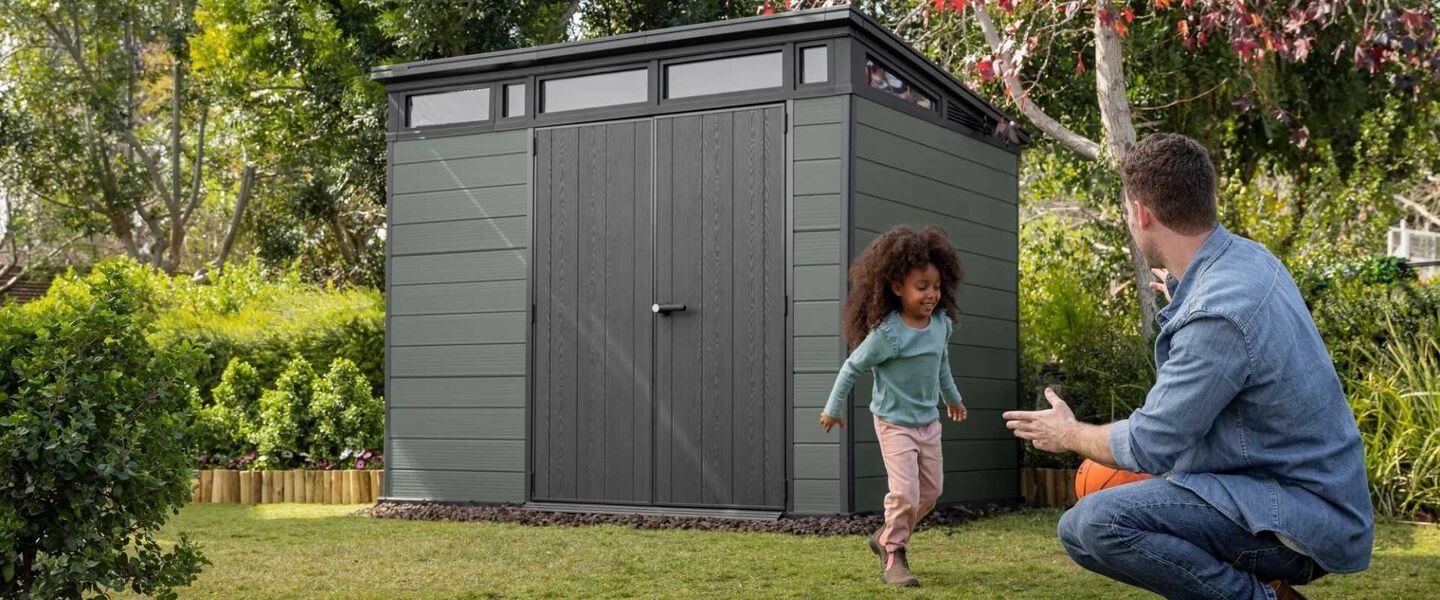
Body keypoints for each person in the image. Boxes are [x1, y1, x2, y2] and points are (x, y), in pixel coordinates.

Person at [1003, 134, 1374, 600]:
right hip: (1309, 501)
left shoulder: (1216, 313)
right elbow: (1233, 333)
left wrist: (1067, 434)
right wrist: (1182, 293)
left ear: (1141, 213)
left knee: (1093, 524)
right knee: (1100, 521)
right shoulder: (1247, 261)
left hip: (1296, 518)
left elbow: (1151, 444)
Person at [818, 225, 970, 587]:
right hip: (894, 423)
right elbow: (853, 366)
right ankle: (894, 554)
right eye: (921, 287)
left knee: (930, 494)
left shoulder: (939, 326)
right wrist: (833, 407)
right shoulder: (888, 334)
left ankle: (885, 534)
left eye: (935, 286)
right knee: (905, 493)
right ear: (897, 287)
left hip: (928, 423)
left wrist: (952, 398)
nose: (931, 294)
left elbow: (941, 365)